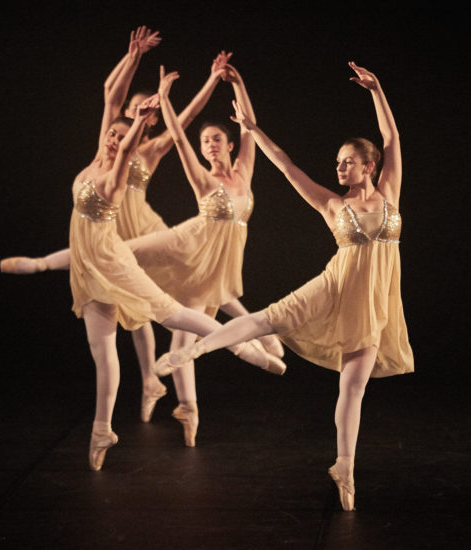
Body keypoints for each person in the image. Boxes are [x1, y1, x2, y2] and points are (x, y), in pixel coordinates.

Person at [155, 62, 414, 510]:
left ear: (369, 166)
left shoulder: (390, 191)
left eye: (347, 161)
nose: (339, 167)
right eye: (337, 162)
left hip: (372, 307)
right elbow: (288, 167)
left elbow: (391, 138)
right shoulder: (332, 205)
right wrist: (254, 129)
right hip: (334, 286)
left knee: (353, 387)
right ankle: (193, 351)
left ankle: (345, 469)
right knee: (266, 319)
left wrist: (377, 91)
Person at [0, 28, 283, 427]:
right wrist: (133, 57)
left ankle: (246, 338)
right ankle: (152, 378)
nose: (134, 112)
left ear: (149, 118)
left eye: (142, 110)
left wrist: (206, 83)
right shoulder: (109, 147)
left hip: (140, 227)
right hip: (109, 230)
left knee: (188, 285)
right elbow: (110, 95)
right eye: (132, 109)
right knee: (139, 301)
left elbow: (186, 122)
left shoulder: (149, 149)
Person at [124, 62, 281, 447]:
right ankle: (253, 339)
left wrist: (238, 82)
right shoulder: (203, 178)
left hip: (218, 263)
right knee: (121, 253)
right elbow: (179, 139)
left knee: (182, 342)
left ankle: (188, 409)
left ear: (229, 145)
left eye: (215, 139)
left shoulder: (244, 170)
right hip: (192, 251)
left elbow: (249, 127)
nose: (209, 144)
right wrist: (166, 99)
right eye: (205, 141)